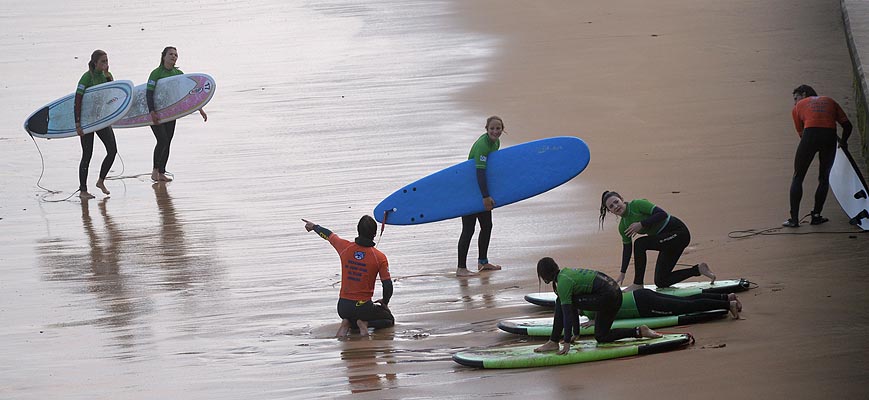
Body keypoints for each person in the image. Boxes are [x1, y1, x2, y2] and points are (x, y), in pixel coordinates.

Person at [533, 257, 662, 355]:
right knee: (601, 336)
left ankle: (553, 342)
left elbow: (567, 314)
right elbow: (572, 308)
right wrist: (576, 334)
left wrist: (566, 343)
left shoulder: (563, 283)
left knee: (560, 302)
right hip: (615, 295)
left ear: (545, 275)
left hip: (608, 296)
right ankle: (639, 331)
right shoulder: (566, 273)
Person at [599, 190, 716, 291]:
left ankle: (638, 284)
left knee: (640, 243)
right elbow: (627, 249)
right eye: (611, 206)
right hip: (666, 242)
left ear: (622, 199)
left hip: (678, 233)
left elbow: (662, 214)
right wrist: (622, 272)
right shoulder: (623, 226)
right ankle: (698, 269)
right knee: (661, 281)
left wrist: (641, 224)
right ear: (610, 211)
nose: (616, 206)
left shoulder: (637, 205)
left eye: (616, 202)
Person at [303, 216, 394, 337]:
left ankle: (346, 322)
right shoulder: (380, 257)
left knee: (351, 317)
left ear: (358, 230)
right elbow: (387, 285)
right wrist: (385, 302)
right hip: (363, 307)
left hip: (343, 308)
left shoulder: (345, 247)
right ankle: (363, 323)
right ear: (375, 233)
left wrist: (314, 227)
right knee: (389, 320)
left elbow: (329, 235)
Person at [784, 84, 852, 227]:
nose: (795, 102)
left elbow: (802, 135)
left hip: (810, 135)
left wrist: (809, 146)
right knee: (823, 178)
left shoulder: (798, 107)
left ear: (804, 94)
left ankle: (794, 220)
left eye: (796, 98)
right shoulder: (830, 101)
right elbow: (847, 126)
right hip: (829, 136)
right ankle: (816, 216)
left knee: (798, 176)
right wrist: (843, 143)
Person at [147, 46, 207, 182]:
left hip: (170, 113)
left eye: (176, 55)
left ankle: (161, 172)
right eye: (171, 54)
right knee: (162, 140)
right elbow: (149, 93)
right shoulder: (156, 73)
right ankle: (155, 170)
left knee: (167, 141)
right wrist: (152, 112)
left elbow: (188, 94)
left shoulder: (179, 74)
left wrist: (200, 108)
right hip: (155, 112)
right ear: (164, 57)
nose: (174, 57)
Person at [456, 116, 504, 277]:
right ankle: (461, 268)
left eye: (498, 128)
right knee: (468, 229)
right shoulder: (483, 145)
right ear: (486, 129)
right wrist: (485, 196)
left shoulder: (496, 143)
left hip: (482, 189)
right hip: (470, 191)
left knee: (487, 226)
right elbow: (480, 171)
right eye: (492, 128)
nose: (495, 131)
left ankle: (483, 262)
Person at [74, 49, 118, 199]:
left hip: (101, 119)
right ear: (95, 63)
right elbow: (77, 100)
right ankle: (83, 190)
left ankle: (101, 181)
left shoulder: (107, 76)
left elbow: (113, 95)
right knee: (87, 155)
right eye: (103, 61)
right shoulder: (86, 78)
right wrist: (78, 124)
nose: (106, 64)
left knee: (112, 150)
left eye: (107, 61)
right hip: (87, 122)